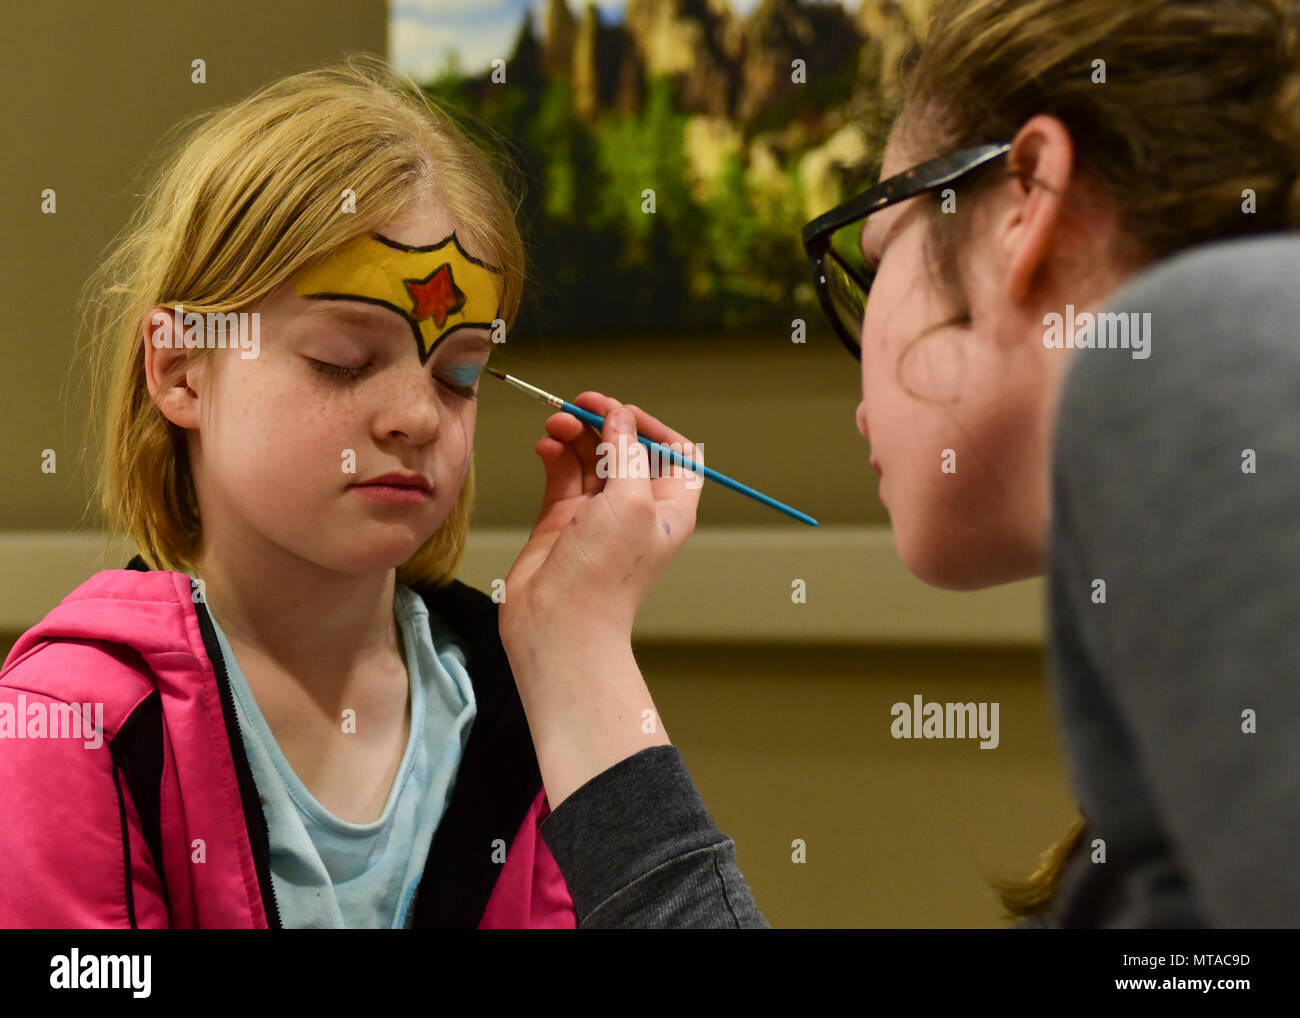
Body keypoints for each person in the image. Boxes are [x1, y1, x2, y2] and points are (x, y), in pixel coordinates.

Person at [498, 0, 1300, 927]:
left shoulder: (1223, 356)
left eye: (875, 263)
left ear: (1023, 207)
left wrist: (576, 658)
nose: (863, 363)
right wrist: (574, 647)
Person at [0, 58, 579, 928]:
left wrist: (587, 655)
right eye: (341, 362)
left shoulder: (524, 697)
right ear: (181, 370)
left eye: (460, 376)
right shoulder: (70, 725)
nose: (418, 416)